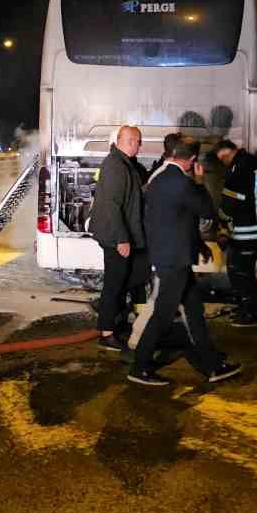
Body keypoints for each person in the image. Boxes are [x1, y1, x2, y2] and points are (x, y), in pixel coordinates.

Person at [129, 135, 242, 387]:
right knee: (162, 315)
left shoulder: (159, 178)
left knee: (194, 312)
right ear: (191, 160)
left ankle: (212, 365)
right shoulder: (183, 183)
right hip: (174, 260)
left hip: (170, 255)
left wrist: (198, 244)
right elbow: (207, 211)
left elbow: (177, 218)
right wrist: (200, 182)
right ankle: (140, 366)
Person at [91, 126, 148, 352]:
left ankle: (115, 322)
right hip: (115, 237)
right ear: (129, 141)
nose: (140, 146)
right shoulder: (116, 165)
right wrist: (121, 239)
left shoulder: (124, 163)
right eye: (138, 141)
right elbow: (112, 206)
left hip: (121, 234)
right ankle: (106, 333)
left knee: (124, 281)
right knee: (114, 285)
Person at [214, 139, 257, 328]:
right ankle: (245, 308)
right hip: (254, 226)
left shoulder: (240, 169)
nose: (224, 163)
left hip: (246, 229)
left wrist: (221, 221)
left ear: (228, 153)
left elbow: (230, 203)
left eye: (223, 158)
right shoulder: (253, 163)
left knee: (241, 273)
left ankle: (250, 314)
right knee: (242, 272)